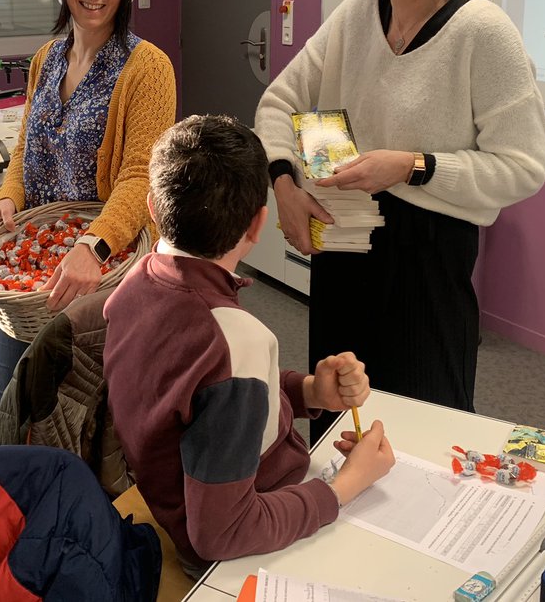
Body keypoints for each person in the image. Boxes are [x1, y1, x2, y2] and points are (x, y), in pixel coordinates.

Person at [254, 0, 545, 440]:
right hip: (343, 243)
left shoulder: (483, 32)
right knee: (339, 413)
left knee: (422, 423)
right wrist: (284, 187)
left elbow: (522, 168)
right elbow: (278, 103)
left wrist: (413, 167)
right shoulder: (354, 15)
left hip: (427, 260)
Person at [103, 114, 395, 575]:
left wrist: (307, 393)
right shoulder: (238, 342)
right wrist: (345, 485)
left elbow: (200, 396)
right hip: (237, 550)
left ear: (153, 210)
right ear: (259, 224)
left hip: (182, 498)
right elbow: (221, 534)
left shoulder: (134, 286)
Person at [0, 0, 176, 439]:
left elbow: (141, 176)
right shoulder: (48, 58)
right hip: (42, 255)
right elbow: (26, 144)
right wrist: (9, 196)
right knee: (5, 401)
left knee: (77, 416)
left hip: (103, 267)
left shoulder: (146, 67)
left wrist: (93, 245)